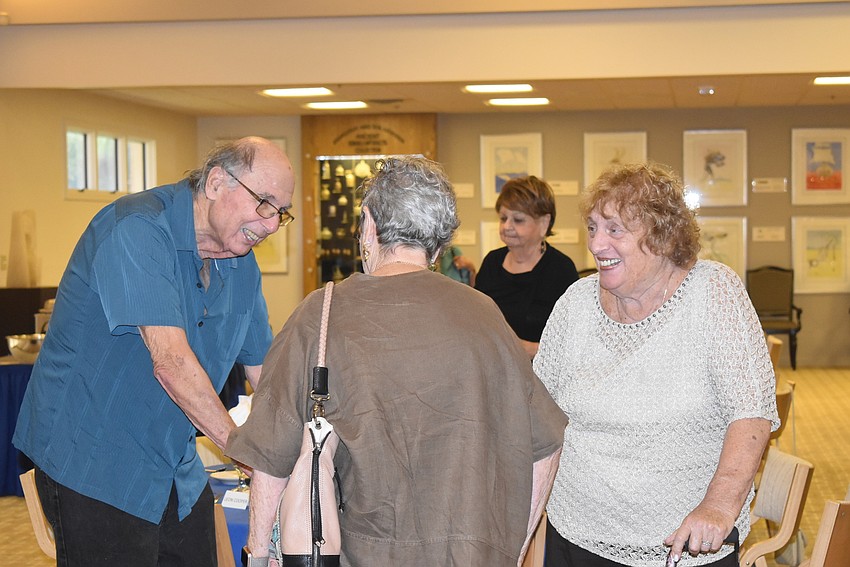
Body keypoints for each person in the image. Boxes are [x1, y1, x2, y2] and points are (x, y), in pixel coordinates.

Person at [226, 156, 567, 567]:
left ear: (369, 225)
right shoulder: (484, 315)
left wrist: (258, 555)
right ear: (439, 243)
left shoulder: (321, 315)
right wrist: (513, 551)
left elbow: (270, 459)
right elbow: (546, 445)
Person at [13, 137, 295, 566]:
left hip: (172, 465)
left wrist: (298, 450)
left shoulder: (241, 264)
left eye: (281, 212)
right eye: (264, 204)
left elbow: (266, 374)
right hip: (94, 463)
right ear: (216, 182)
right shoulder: (136, 229)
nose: (271, 224)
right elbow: (171, 363)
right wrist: (247, 452)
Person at [533, 162, 779, 567]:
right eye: (593, 227)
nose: (596, 244)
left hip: (684, 543)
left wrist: (718, 506)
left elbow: (751, 413)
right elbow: (539, 419)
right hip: (576, 534)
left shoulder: (713, 292)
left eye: (615, 230)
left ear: (662, 236)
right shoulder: (574, 303)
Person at [475, 176, 579, 358]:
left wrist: (529, 349)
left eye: (518, 220)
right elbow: (478, 319)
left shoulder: (561, 269)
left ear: (544, 223)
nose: (507, 226)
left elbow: (574, 342)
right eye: (503, 218)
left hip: (539, 371)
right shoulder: (492, 262)